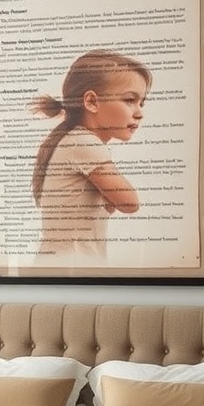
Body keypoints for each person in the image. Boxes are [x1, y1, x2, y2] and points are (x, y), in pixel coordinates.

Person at [30, 49, 152, 261]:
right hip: (72, 267)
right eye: (130, 100)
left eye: (142, 102)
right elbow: (130, 202)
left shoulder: (71, 140)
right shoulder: (85, 143)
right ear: (92, 102)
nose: (139, 112)